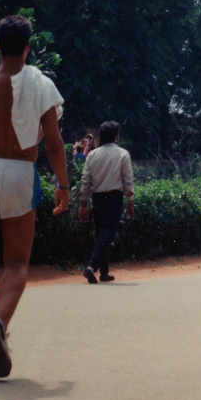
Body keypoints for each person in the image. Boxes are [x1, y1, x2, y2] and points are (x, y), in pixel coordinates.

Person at [0, 14, 69, 377]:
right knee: (17, 263)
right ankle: (0, 324)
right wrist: (63, 186)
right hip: (21, 173)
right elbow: (53, 143)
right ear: (27, 47)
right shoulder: (41, 86)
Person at [78, 120, 134, 283]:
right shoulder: (123, 154)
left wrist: (83, 204)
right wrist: (131, 201)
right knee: (107, 233)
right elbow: (127, 180)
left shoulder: (93, 155)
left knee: (102, 234)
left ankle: (104, 272)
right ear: (116, 136)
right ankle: (91, 268)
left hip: (97, 198)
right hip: (114, 198)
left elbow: (85, 181)